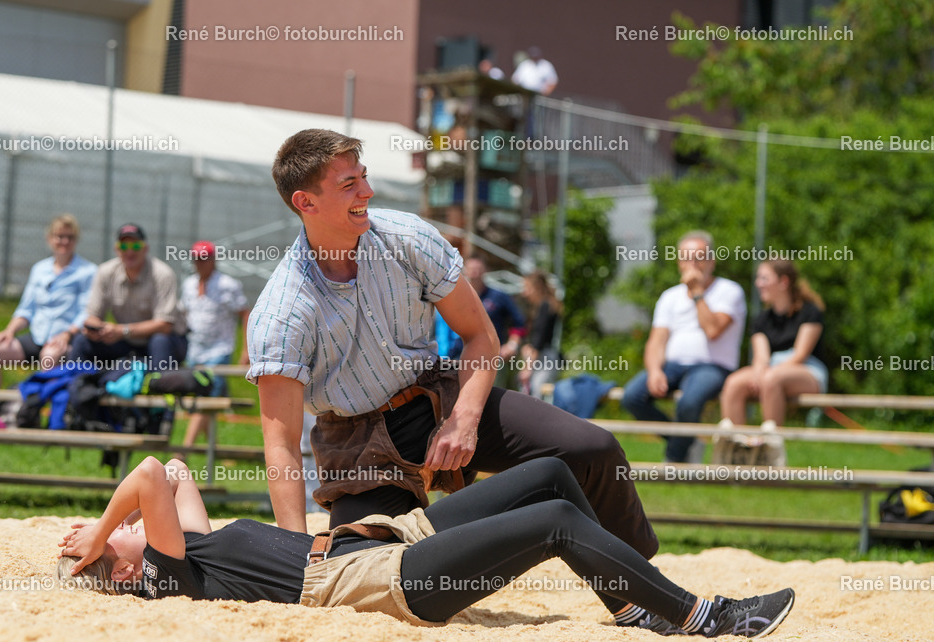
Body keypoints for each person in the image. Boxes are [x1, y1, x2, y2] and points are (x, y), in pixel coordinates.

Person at [247, 129, 659, 603]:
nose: (367, 192)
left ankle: (644, 595)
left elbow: (482, 337)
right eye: (348, 184)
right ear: (306, 202)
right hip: (357, 443)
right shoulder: (282, 310)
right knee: (362, 568)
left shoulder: (409, 237)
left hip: (439, 396)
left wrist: (463, 420)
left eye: (364, 177)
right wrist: (296, 555)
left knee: (594, 448)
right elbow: (279, 445)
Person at [57, 456, 795, 639]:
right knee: (557, 524)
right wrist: (96, 532)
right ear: (125, 565)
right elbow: (149, 475)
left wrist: (100, 536)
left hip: (377, 541)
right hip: (381, 582)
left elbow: (176, 472)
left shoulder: (191, 548)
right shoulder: (164, 575)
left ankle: (633, 606)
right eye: (116, 537)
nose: (121, 525)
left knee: (549, 477)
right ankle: (708, 617)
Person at [621, 231, 746, 463]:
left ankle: (674, 461)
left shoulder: (730, 291)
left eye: (699, 257)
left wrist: (698, 292)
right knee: (632, 397)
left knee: (689, 401)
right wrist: (655, 370)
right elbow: (656, 341)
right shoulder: (670, 297)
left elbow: (713, 331)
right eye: (687, 258)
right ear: (679, 262)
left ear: (712, 260)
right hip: (673, 365)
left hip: (712, 366)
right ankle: (688, 443)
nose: (693, 264)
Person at [0, 214, 96, 389]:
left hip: (65, 338)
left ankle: (40, 411)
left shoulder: (88, 271)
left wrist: (67, 334)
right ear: (49, 239)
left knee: (49, 356)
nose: (64, 241)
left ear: (76, 240)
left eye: (69, 237)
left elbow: (86, 312)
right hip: (37, 336)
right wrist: (9, 331)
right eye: (59, 236)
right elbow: (26, 310)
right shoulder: (40, 269)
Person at [719, 260, 826, 428]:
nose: (758, 284)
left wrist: (766, 373)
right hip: (770, 370)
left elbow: (800, 354)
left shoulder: (810, 312)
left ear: (783, 282)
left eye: (764, 278)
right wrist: (758, 372)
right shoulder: (761, 320)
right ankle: (735, 443)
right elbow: (761, 357)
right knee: (734, 382)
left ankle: (770, 443)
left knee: (771, 379)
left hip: (808, 370)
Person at [68, 223, 187, 373]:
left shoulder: (163, 274)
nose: (130, 251)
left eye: (135, 246)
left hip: (167, 342)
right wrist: (97, 329)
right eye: (124, 246)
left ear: (145, 248)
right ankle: (77, 387)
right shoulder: (105, 272)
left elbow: (165, 325)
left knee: (160, 341)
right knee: (82, 341)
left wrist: (122, 331)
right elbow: (92, 316)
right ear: (117, 249)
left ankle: (157, 389)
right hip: (126, 341)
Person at [178, 240, 249, 452]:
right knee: (203, 401)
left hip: (219, 350)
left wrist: (246, 349)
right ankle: (214, 451)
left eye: (204, 259)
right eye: (197, 259)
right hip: (195, 350)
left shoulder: (228, 285)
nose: (200, 263)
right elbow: (183, 314)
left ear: (213, 259)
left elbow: (245, 313)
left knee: (206, 397)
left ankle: (183, 451)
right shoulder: (188, 284)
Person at [464, 255, 526, 382]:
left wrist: (512, 345)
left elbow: (519, 323)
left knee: (492, 398)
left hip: (492, 358)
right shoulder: (460, 296)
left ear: (485, 270)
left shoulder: (498, 296)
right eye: (471, 269)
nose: (474, 273)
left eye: (478, 269)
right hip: (462, 356)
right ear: (465, 271)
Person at [516, 270, 561, 396]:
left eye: (527, 288)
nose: (524, 293)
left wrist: (528, 367)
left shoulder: (546, 307)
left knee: (536, 392)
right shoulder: (538, 308)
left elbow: (539, 339)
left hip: (544, 357)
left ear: (536, 288)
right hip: (539, 356)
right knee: (528, 391)